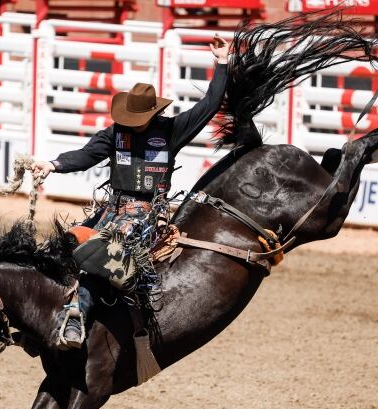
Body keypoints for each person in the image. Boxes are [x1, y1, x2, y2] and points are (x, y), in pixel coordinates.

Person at [32, 34, 230, 349]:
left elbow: (209, 105)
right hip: (112, 208)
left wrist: (221, 62)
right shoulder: (115, 134)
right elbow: (86, 155)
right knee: (67, 245)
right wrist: (53, 164)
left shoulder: (172, 131)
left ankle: (76, 319)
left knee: (96, 254)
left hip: (147, 214)